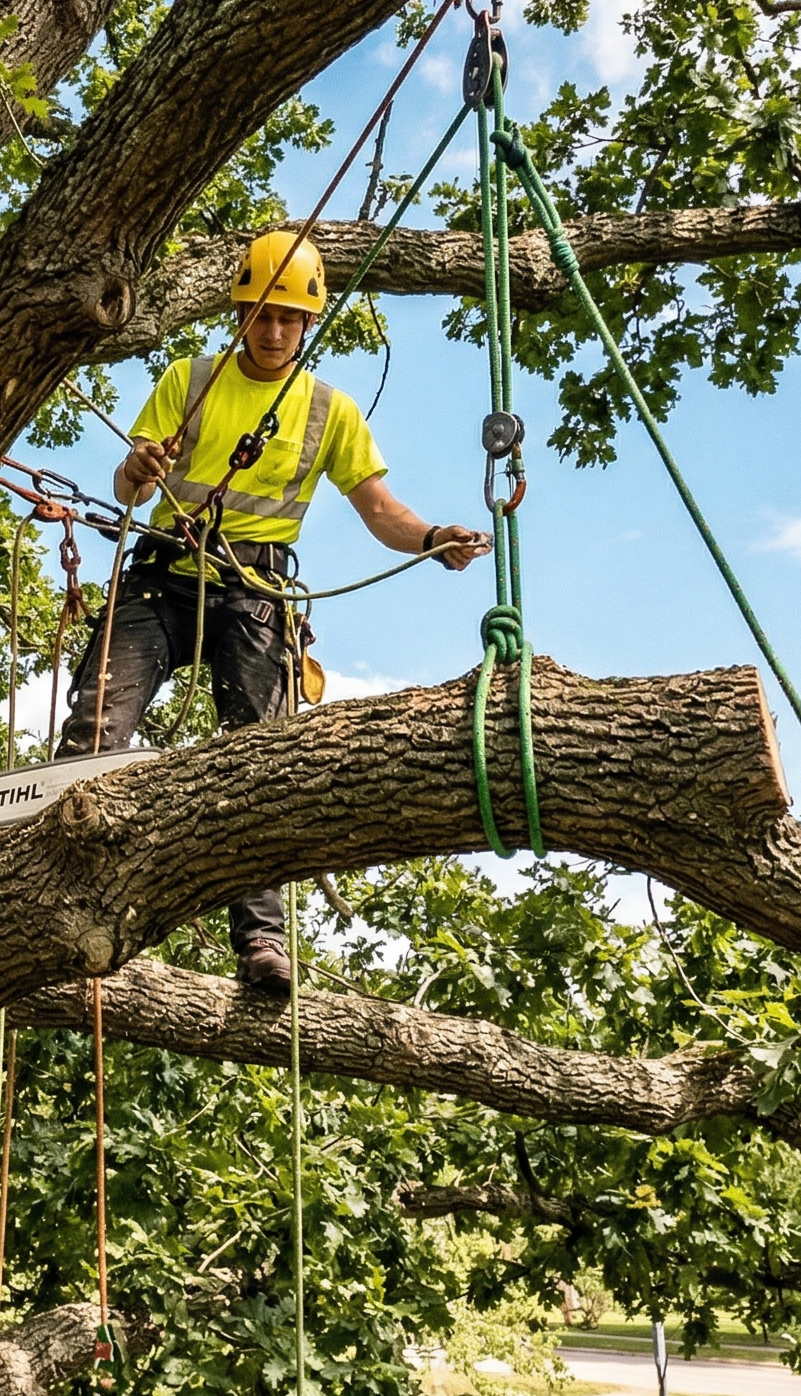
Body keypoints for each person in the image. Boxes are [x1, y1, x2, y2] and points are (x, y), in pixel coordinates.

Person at [53, 232, 488, 994]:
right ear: (241, 311)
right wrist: (137, 467)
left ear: (308, 321)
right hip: (162, 578)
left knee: (258, 758)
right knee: (96, 724)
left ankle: (260, 940)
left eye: (289, 316)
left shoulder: (330, 412)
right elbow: (130, 491)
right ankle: (56, 891)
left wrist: (428, 539)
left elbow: (378, 508)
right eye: (262, 314)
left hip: (253, 595)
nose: (275, 330)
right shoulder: (190, 380)